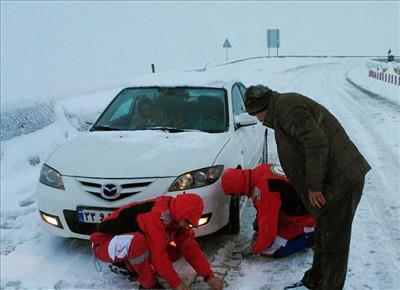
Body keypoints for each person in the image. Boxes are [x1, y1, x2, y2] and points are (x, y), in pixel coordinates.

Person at [244, 85, 371, 290]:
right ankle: (314, 282)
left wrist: (313, 186)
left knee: (334, 245)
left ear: (263, 106)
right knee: (323, 235)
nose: (259, 120)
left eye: (257, 114)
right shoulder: (282, 111)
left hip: (341, 182)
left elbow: (317, 143)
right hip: (331, 182)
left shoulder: (288, 109)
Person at [90, 193, 223, 290]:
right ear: (182, 215)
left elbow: (191, 249)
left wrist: (209, 276)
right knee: (138, 242)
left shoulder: (176, 216)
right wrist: (177, 284)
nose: (189, 226)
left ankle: (131, 265)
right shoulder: (154, 216)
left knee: (175, 252)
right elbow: (158, 257)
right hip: (103, 242)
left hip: (125, 242)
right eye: (188, 222)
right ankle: (148, 285)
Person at [221, 163, 315, 258]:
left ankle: (312, 236)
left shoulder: (264, 191)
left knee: (268, 250)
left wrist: (254, 249)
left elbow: (268, 231)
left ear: (237, 189)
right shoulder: (259, 170)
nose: (236, 197)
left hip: (307, 217)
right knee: (259, 226)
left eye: (233, 194)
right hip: (306, 203)